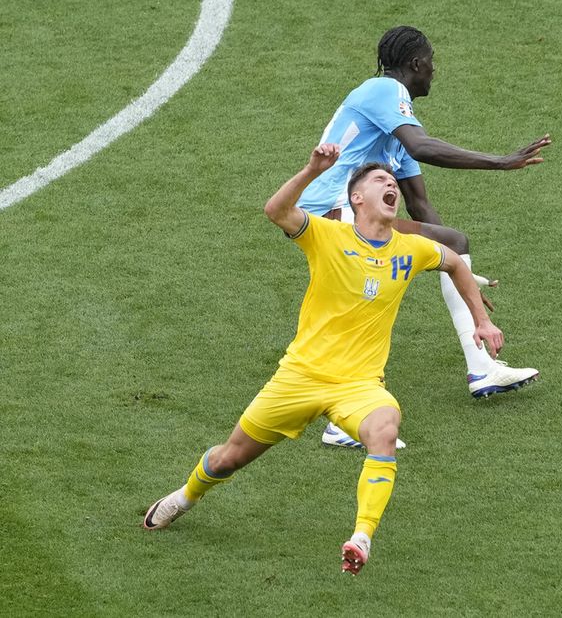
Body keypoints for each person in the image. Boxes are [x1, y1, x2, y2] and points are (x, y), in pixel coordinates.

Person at [143, 145, 504, 577]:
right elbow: (276, 210)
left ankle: (361, 537)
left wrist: (480, 320)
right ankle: (185, 496)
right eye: (380, 182)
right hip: (299, 377)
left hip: (360, 386)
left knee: (386, 428)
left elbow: (456, 266)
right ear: (356, 199)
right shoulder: (327, 235)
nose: (392, 185)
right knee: (228, 459)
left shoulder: (412, 249)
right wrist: (313, 170)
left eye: (393, 183)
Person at [301, 26, 551, 449]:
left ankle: (481, 370)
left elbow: (420, 206)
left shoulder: (392, 130)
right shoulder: (382, 91)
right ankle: (342, 421)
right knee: (366, 304)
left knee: (452, 242)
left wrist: (459, 274)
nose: (435, 71)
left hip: (349, 209)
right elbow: (421, 147)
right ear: (416, 64)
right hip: (334, 209)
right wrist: (499, 161)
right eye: (431, 62)